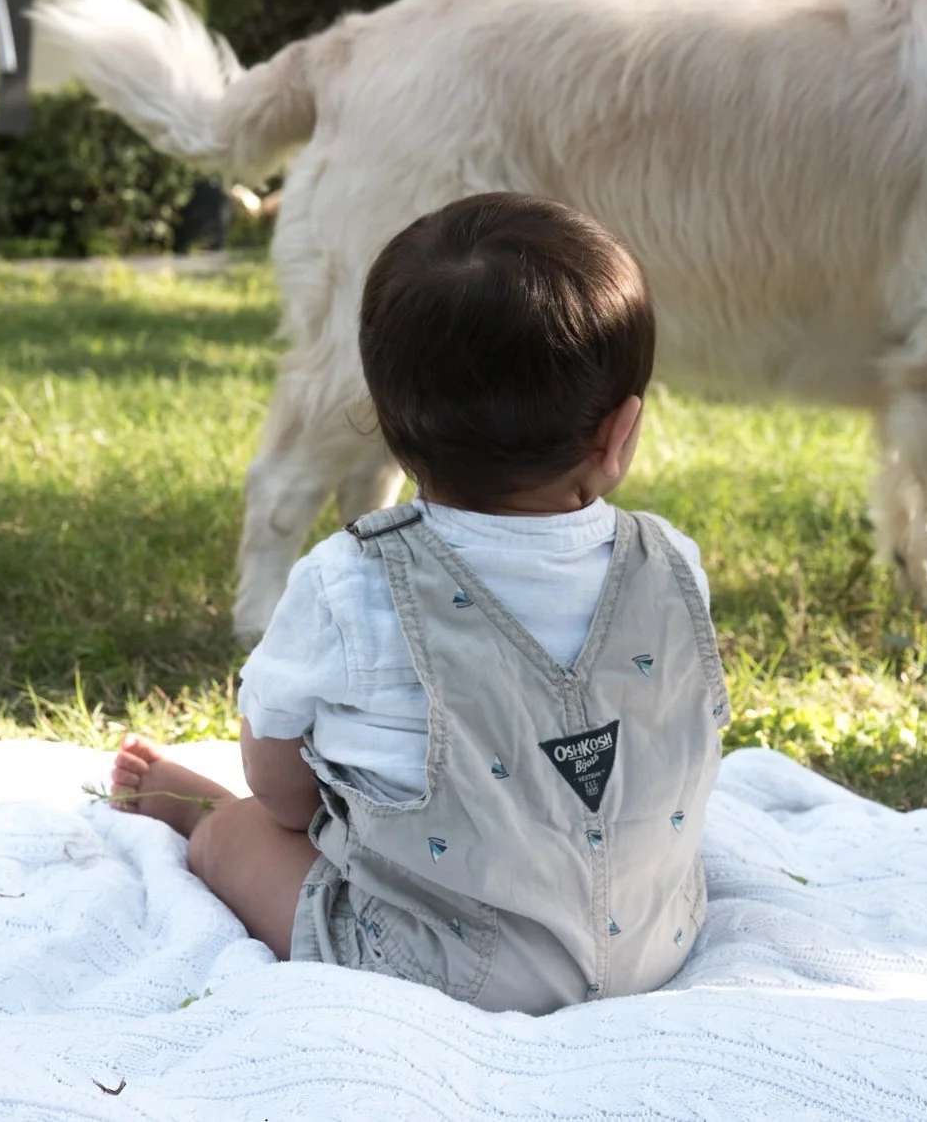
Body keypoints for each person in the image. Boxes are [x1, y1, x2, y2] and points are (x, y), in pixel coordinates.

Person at [109, 192, 730, 1014]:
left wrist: (270, 814)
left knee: (246, 832)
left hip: (430, 969)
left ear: (391, 425)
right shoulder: (672, 564)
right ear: (617, 435)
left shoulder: (349, 581)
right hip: (654, 939)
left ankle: (194, 817)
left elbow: (283, 789)